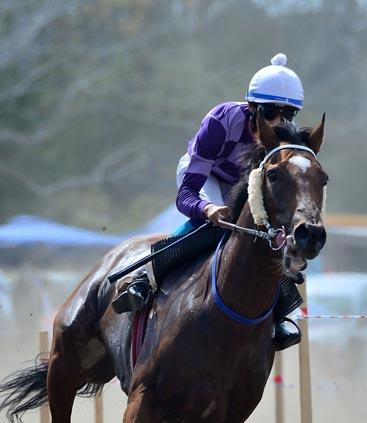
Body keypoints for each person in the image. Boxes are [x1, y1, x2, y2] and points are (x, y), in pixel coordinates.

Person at [112, 53, 306, 350]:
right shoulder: (221, 120)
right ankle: (145, 276)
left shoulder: (284, 142)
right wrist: (207, 208)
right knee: (220, 224)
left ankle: (280, 313)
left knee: (262, 235)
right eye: (269, 114)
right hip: (205, 175)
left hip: (241, 184)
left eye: (287, 115)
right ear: (251, 107)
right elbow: (186, 195)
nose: (277, 124)